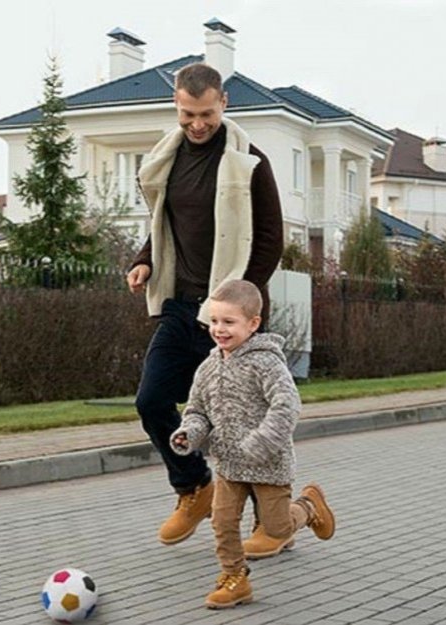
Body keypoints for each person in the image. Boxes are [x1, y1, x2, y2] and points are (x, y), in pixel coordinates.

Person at [126, 62, 283, 546]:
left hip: (234, 317)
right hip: (181, 306)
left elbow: (271, 240)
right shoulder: (166, 158)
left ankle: (271, 523)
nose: (197, 124)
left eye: (207, 114)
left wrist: (240, 303)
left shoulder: (248, 161)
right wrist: (145, 260)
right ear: (176, 105)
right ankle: (193, 485)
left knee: (242, 425)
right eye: (188, 114)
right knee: (151, 400)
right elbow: (163, 224)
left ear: (224, 105)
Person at [170, 280, 336, 609]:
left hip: (268, 464)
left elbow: (287, 406)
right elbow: (198, 410)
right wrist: (190, 433)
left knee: (277, 530)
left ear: (253, 323)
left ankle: (308, 507)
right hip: (230, 465)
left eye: (229, 322)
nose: (219, 329)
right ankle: (235, 579)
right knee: (222, 521)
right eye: (214, 321)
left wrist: (262, 441)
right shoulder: (207, 368)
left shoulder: (267, 363)